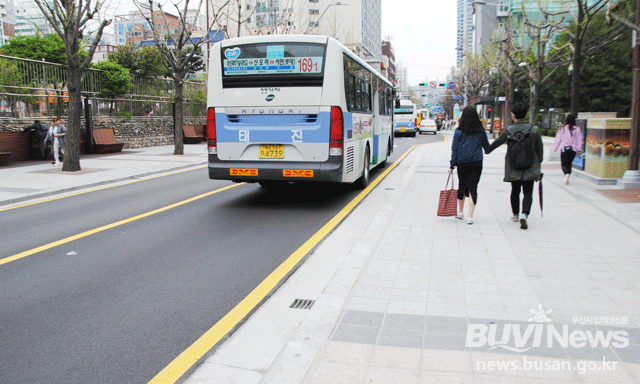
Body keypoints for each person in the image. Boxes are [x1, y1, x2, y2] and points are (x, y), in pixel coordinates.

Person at [487, 103, 543, 230]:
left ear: (513, 115)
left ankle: (516, 214)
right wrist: (538, 163)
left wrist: (487, 149)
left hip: (514, 165)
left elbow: (496, 143)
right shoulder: (534, 130)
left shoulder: (509, 130)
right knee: (528, 192)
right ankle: (525, 214)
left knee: (515, 190)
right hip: (530, 166)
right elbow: (540, 149)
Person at [448, 106, 491, 225]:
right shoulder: (481, 131)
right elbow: (487, 148)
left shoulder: (458, 131)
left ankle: (460, 212)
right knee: (473, 187)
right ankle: (470, 216)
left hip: (462, 162)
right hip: (476, 162)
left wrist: (452, 165)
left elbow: (454, 149)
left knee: (462, 185)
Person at [554, 113, 583, 185]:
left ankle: (566, 174)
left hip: (564, 149)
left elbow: (558, 139)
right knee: (569, 163)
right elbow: (579, 139)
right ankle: (568, 174)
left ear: (566, 119)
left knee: (564, 164)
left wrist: (555, 147)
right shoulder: (577, 129)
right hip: (573, 149)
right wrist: (579, 149)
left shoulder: (563, 129)